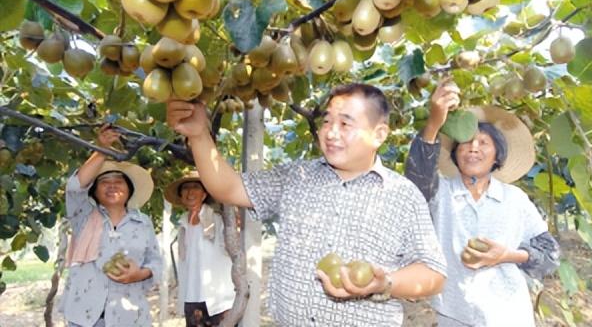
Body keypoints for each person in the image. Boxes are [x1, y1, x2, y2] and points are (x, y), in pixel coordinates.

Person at [167, 83, 447, 326]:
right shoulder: (297, 176)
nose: (330, 133)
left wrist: (384, 283)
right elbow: (228, 188)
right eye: (326, 122)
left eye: (345, 124)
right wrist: (199, 136)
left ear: (379, 134)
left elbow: (433, 273)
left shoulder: (402, 195)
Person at [405, 81, 560, 326]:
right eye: (465, 142)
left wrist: (506, 255)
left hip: (509, 314)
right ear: (455, 153)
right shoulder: (439, 193)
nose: (473, 147)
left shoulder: (514, 199)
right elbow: (416, 178)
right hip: (454, 314)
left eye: (484, 143)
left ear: (498, 155)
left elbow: (550, 254)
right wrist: (434, 123)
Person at [59, 125, 162, 327]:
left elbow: (156, 262)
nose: (112, 185)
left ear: (129, 190)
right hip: (84, 316)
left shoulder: (143, 222)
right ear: (94, 191)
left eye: (119, 181)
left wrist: (139, 274)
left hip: (129, 315)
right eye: (105, 182)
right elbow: (73, 187)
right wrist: (100, 149)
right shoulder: (83, 217)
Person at [164, 172, 236, 327]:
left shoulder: (217, 220)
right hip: (192, 297)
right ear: (181, 195)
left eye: (195, 187)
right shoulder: (183, 224)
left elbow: (232, 248)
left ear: (204, 194)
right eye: (185, 188)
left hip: (219, 300)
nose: (190, 192)